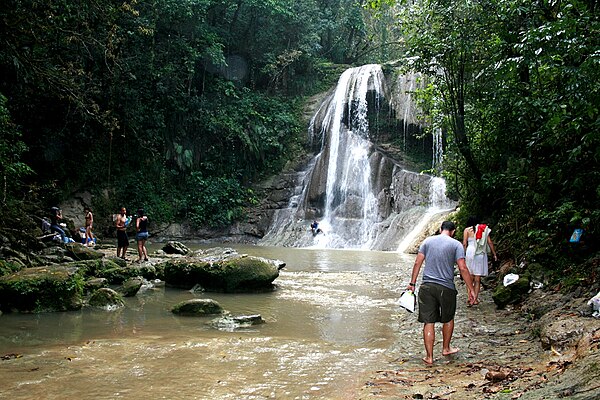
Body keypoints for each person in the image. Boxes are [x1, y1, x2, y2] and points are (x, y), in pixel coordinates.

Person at [407, 221, 475, 365]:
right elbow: (462, 268)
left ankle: (429, 357)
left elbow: (417, 263)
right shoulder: (456, 244)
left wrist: (412, 283)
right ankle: (446, 348)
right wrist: (471, 289)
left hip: (427, 286)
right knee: (448, 318)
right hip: (446, 288)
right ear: (453, 231)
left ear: (440, 229)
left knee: (428, 321)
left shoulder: (427, 241)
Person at [462, 216, 497, 305]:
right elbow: (489, 242)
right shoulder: (484, 229)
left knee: (469, 277)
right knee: (477, 279)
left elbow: (464, 243)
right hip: (480, 253)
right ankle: (475, 299)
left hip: (470, 252)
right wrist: (494, 254)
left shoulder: (467, 230)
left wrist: (463, 255)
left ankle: (469, 297)